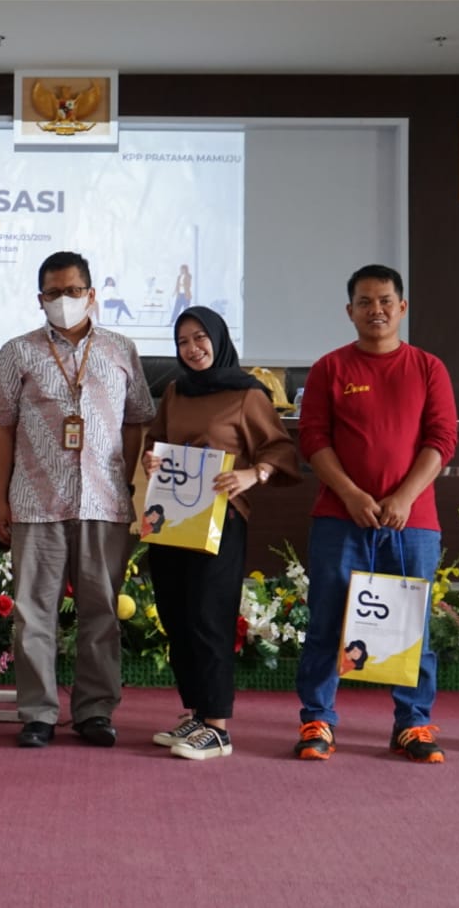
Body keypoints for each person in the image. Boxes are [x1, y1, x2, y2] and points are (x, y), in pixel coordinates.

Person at [0, 250, 156, 748]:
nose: (64, 300)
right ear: (40, 298)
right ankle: (38, 713)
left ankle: (95, 711)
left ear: (92, 294)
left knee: (101, 613)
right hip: (36, 501)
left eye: (74, 291)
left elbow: (137, 419)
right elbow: (0, 428)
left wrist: (122, 480)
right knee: (33, 614)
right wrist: (0, 501)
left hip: (104, 502)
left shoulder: (121, 348)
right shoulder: (18, 351)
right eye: (54, 292)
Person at [293, 264, 458, 763]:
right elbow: (313, 440)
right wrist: (349, 494)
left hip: (413, 522)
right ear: (350, 311)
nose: (376, 310)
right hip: (340, 518)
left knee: (412, 626)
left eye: (385, 301)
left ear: (402, 307)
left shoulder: (428, 367)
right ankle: (318, 719)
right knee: (327, 621)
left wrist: (404, 497)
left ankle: (413, 723)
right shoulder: (329, 368)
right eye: (364, 302)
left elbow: (442, 440)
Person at [140, 306, 299, 760]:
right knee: (177, 615)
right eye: (183, 342)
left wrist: (253, 474)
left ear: (218, 338)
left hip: (220, 519)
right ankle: (197, 711)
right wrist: (151, 459)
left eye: (200, 338)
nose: (192, 349)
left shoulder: (247, 394)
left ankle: (218, 727)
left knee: (209, 616)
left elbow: (281, 450)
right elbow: (155, 441)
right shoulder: (176, 391)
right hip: (172, 515)